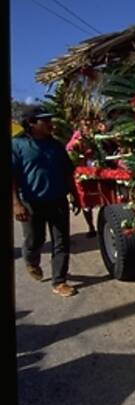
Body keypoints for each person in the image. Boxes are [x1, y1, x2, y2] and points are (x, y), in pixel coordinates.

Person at [12, 106, 79, 297]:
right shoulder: (17, 145)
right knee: (35, 240)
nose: (51, 124)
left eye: (50, 119)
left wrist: (73, 194)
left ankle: (59, 281)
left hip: (58, 200)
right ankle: (31, 260)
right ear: (32, 123)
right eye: (45, 121)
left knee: (61, 242)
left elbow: (68, 172)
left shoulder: (56, 145)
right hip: (31, 203)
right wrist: (16, 204)